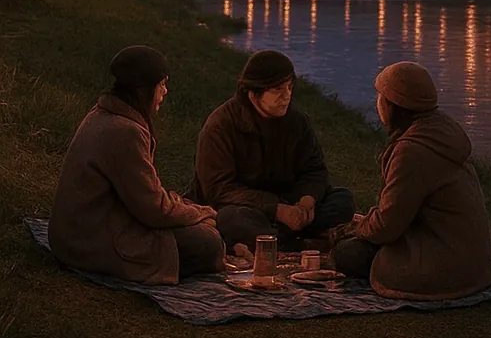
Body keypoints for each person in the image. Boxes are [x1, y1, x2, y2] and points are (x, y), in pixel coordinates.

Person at [49, 46, 224, 284]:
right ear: (144, 89)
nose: (165, 91)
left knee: (201, 226)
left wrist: (189, 210)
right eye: (161, 85)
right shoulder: (125, 132)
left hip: (81, 233)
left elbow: (144, 196)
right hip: (90, 242)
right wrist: (201, 213)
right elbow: (153, 210)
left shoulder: (104, 113)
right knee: (208, 243)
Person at [330, 61, 491, 300]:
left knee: (346, 253)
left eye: (380, 97)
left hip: (442, 264)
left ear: (393, 105)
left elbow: (387, 226)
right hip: (473, 265)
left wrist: (358, 227)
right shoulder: (440, 132)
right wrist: (366, 222)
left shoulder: (412, 152)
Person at [187, 49, 354, 251]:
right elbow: (219, 189)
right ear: (253, 93)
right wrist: (276, 210)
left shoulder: (297, 122)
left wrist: (306, 201)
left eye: (290, 88)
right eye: (277, 90)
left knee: (342, 199)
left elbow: (314, 170)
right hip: (246, 207)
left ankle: (281, 238)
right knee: (232, 219)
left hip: (289, 202)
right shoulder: (221, 126)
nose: (286, 96)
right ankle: (294, 242)